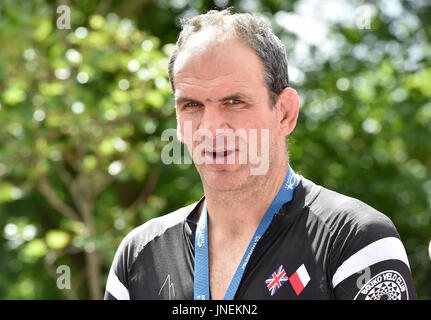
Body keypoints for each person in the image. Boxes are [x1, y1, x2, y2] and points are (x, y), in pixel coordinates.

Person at [104, 9, 417, 300]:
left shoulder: (355, 240)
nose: (211, 129)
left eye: (234, 102)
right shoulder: (138, 257)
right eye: (192, 105)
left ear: (284, 113)